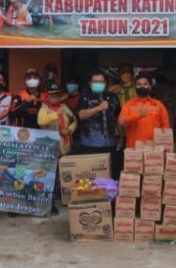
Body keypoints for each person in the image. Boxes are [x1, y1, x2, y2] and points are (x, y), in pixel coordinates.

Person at [38, 82, 78, 215]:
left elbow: (74, 120)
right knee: (48, 175)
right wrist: (56, 114)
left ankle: (55, 199)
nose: (54, 97)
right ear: (47, 96)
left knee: (59, 176)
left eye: (56, 95)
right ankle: (49, 203)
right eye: (51, 95)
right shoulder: (44, 108)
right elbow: (41, 121)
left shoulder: (65, 107)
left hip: (63, 146)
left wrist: (69, 130)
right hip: (49, 147)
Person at [76, 70, 122, 174]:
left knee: (111, 174)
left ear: (105, 83)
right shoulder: (84, 97)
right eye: (95, 81)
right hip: (90, 145)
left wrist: (121, 137)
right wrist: (98, 108)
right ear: (90, 83)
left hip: (110, 144)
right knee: (91, 175)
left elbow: (118, 118)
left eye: (101, 81)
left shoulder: (113, 97)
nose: (98, 84)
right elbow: (81, 115)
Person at [118, 73, 171, 149]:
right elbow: (121, 121)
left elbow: (166, 127)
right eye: (139, 84)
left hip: (154, 149)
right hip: (133, 149)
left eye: (145, 84)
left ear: (150, 87)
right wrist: (138, 115)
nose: (142, 86)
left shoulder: (158, 105)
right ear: (135, 87)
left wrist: (164, 146)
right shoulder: (128, 104)